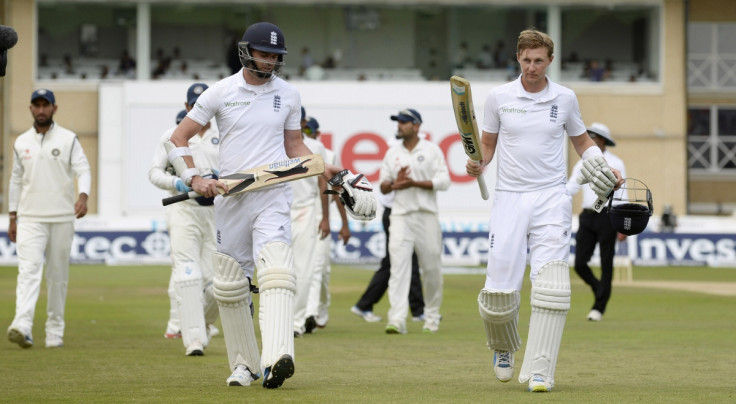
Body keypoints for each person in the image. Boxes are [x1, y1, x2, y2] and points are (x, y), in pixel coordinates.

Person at [167, 21, 376, 389]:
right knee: (231, 285)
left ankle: (278, 355)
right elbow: (179, 138)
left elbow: (295, 148)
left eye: (276, 56)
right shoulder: (220, 92)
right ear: (247, 52)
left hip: (274, 195)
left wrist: (332, 172)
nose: (271, 61)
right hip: (232, 199)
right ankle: (244, 366)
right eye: (265, 54)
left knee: (277, 269)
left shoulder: (289, 95)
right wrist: (196, 178)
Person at [465, 29, 623, 392]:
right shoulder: (499, 97)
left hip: (552, 197)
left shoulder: (564, 98)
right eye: (526, 60)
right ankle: (503, 347)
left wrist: (603, 166)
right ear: (517, 58)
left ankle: (540, 369)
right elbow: (486, 145)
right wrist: (478, 164)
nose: (532, 67)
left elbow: (582, 141)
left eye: (539, 60)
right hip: (510, 197)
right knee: (499, 289)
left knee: (552, 286)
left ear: (550, 61)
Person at [6, 89, 92, 349]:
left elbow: (83, 169)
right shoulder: (21, 142)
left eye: (46, 105)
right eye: (37, 105)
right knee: (28, 271)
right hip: (30, 217)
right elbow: (16, 180)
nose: (41, 110)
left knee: (57, 276)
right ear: (30, 108)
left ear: (55, 108)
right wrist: (12, 216)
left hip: (62, 217)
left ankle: (55, 330)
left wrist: (83, 196)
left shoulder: (68, 139)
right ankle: (22, 325)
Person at [149, 83, 221, 355]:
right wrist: (178, 183)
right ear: (187, 107)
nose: (198, 110)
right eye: (194, 105)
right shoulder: (171, 136)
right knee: (188, 273)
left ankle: (201, 324)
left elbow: (237, 171)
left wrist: (220, 178)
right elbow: (154, 173)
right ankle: (193, 340)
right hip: (184, 210)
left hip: (216, 212)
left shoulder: (224, 134)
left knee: (217, 281)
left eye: (203, 104)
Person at [381, 108, 449, 335]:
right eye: (398, 122)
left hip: (426, 215)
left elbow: (444, 181)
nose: (399, 125)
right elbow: (383, 185)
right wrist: (394, 184)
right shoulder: (392, 153)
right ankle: (397, 319)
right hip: (400, 215)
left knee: (431, 268)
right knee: (398, 269)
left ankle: (431, 317)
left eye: (404, 122)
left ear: (417, 126)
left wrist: (414, 183)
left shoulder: (432, 151)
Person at [567, 122, 627, 322]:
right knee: (580, 263)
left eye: (592, 135)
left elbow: (623, 193)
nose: (589, 138)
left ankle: (599, 307)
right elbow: (572, 186)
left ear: (601, 140)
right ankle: (599, 288)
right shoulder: (583, 162)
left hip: (608, 215)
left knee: (606, 262)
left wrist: (623, 223)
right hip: (587, 215)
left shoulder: (616, 162)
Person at [302, 117, 351, 331]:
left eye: (308, 129)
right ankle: (308, 313)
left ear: (316, 132)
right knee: (306, 267)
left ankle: (319, 308)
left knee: (320, 268)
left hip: (321, 215)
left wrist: (343, 223)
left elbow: (336, 190)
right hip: (300, 213)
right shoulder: (289, 151)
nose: (305, 132)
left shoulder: (328, 155)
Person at [351, 188, 425, 323]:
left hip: (402, 214)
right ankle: (418, 311)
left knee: (392, 262)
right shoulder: (395, 167)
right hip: (396, 214)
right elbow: (386, 188)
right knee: (406, 259)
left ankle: (364, 304)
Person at [289, 115, 329, 337]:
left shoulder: (315, 147)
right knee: (279, 270)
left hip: (305, 209)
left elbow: (323, 183)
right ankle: (279, 318)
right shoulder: (273, 142)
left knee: (304, 269)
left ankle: (297, 321)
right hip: (279, 211)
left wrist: (324, 216)